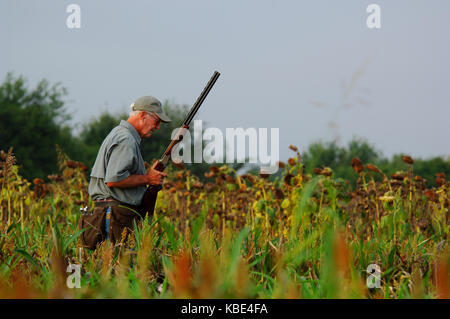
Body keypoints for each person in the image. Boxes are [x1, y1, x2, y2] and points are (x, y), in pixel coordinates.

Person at [81, 96, 171, 249]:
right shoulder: (126, 139)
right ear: (143, 115)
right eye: (157, 121)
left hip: (111, 214)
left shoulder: (121, 134)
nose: (157, 127)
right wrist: (148, 179)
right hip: (115, 216)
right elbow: (114, 179)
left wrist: (148, 175)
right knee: (119, 269)